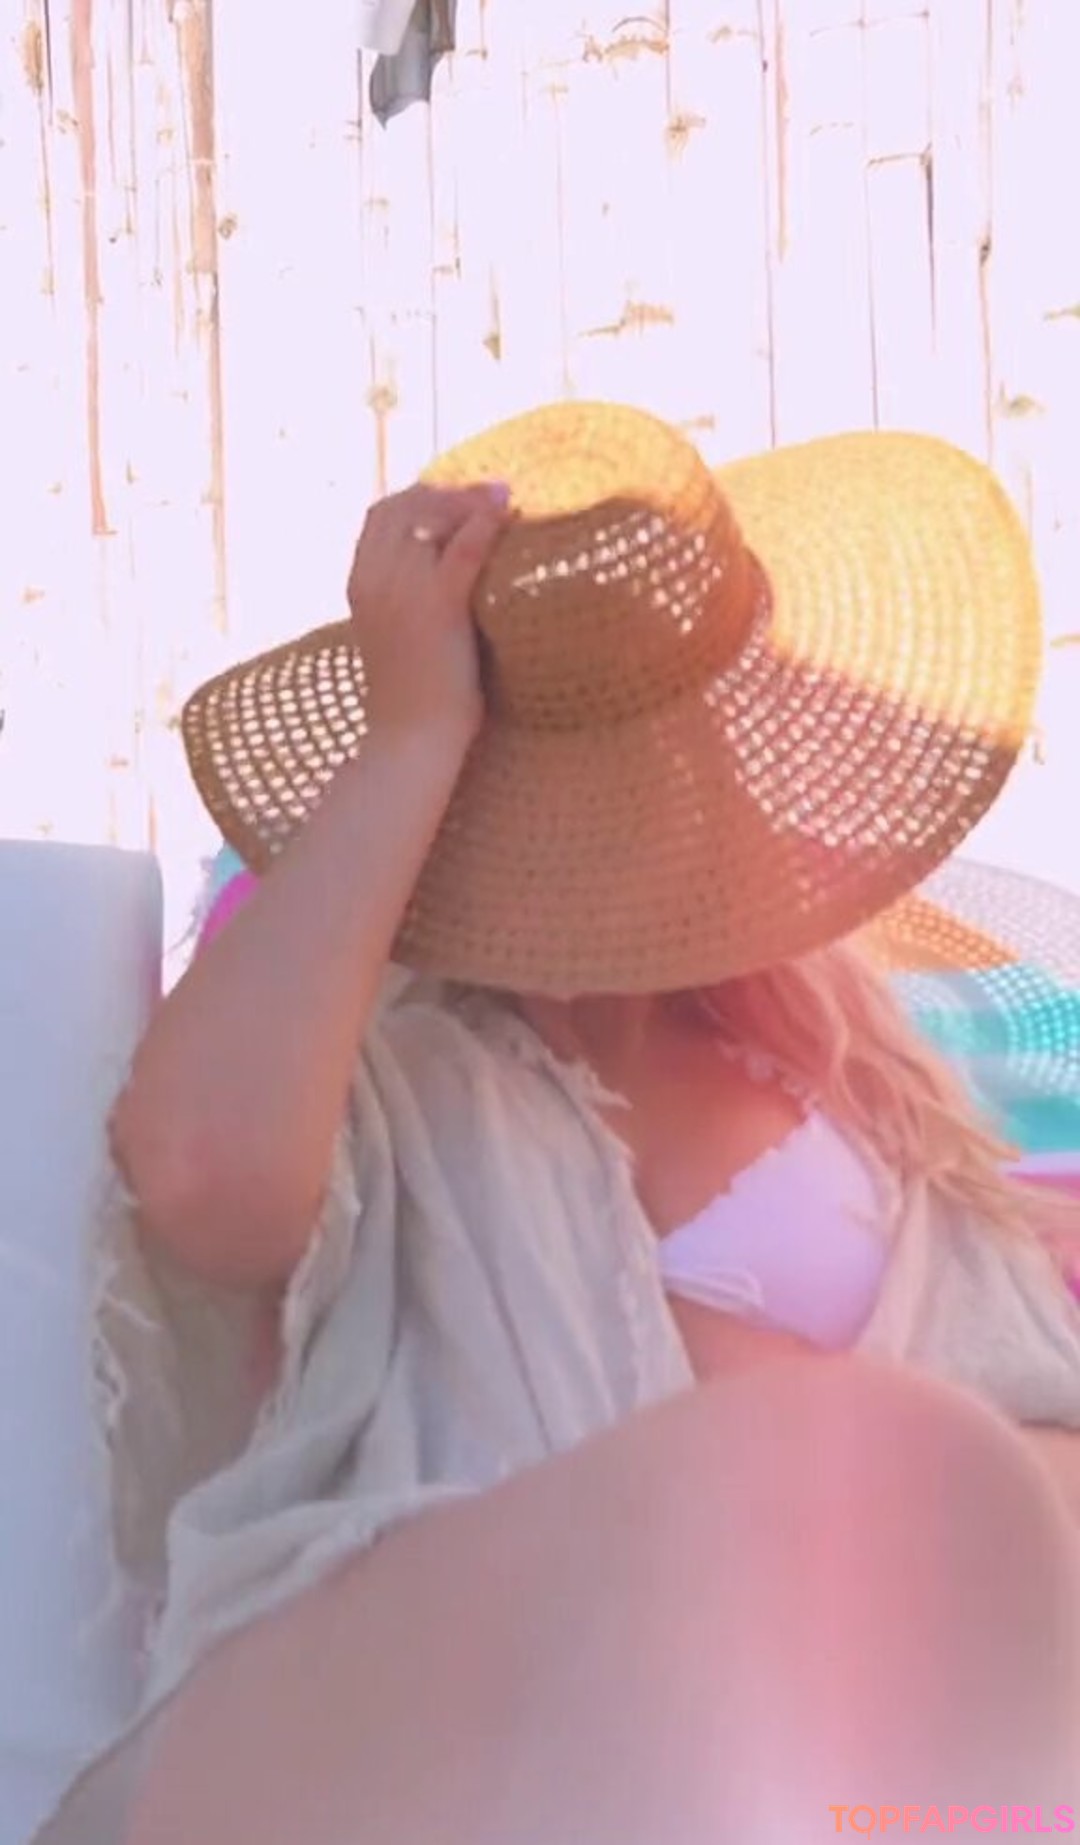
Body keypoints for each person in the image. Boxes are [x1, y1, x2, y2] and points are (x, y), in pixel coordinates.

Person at [37, 404, 1080, 1842]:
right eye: (545, 753)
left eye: (650, 741)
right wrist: (414, 731)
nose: (609, 816)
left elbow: (1033, 1442)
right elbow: (199, 1170)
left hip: (828, 1756)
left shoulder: (865, 1095)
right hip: (413, 1722)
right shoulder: (378, 1080)